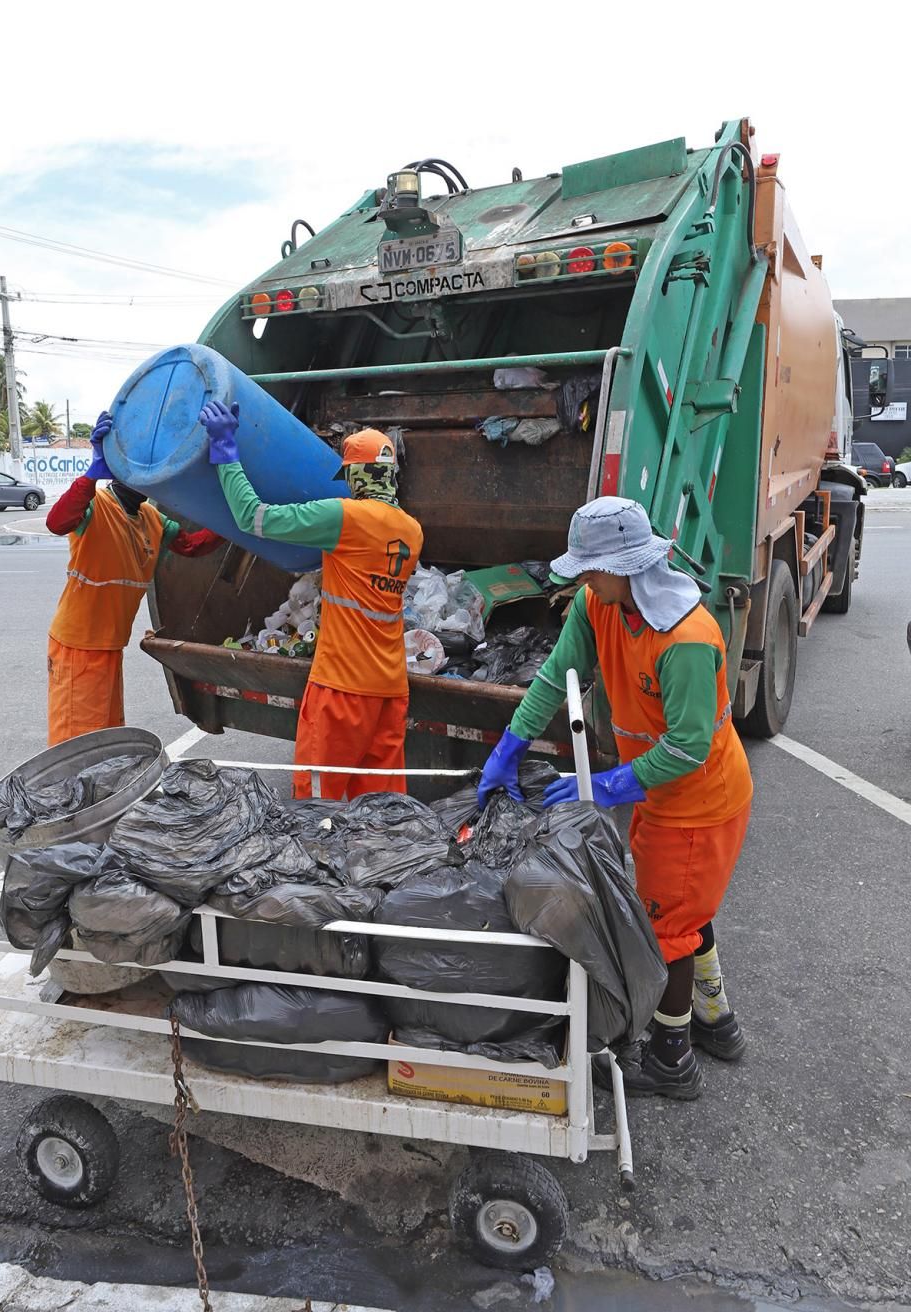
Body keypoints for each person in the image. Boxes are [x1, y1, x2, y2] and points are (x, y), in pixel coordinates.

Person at [477, 495, 752, 1099]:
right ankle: (715, 1019)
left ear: (628, 567)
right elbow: (557, 675)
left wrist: (600, 785)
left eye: (591, 569)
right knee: (681, 908)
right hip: (657, 794)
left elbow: (687, 748)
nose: (583, 580)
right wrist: (510, 744)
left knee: (666, 927)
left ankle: (672, 1059)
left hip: (700, 802)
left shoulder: (685, 638)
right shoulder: (598, 604)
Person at [198, 400, 423, 801]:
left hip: (342, 690)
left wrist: (226, 452)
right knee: (381, 808)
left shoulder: (346, 518)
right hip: (389, 691)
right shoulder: (412, 531)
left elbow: (252, 517)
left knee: (319, 804)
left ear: (356, 475)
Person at [45, 410, 223, 746]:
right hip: (79, 646)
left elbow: (192, 545)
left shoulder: (151, 517)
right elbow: (57, 522)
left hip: (110, 645)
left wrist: (233, 520)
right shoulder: (96, 505)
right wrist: (90, 476)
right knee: (78, 743)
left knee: (107, 737)